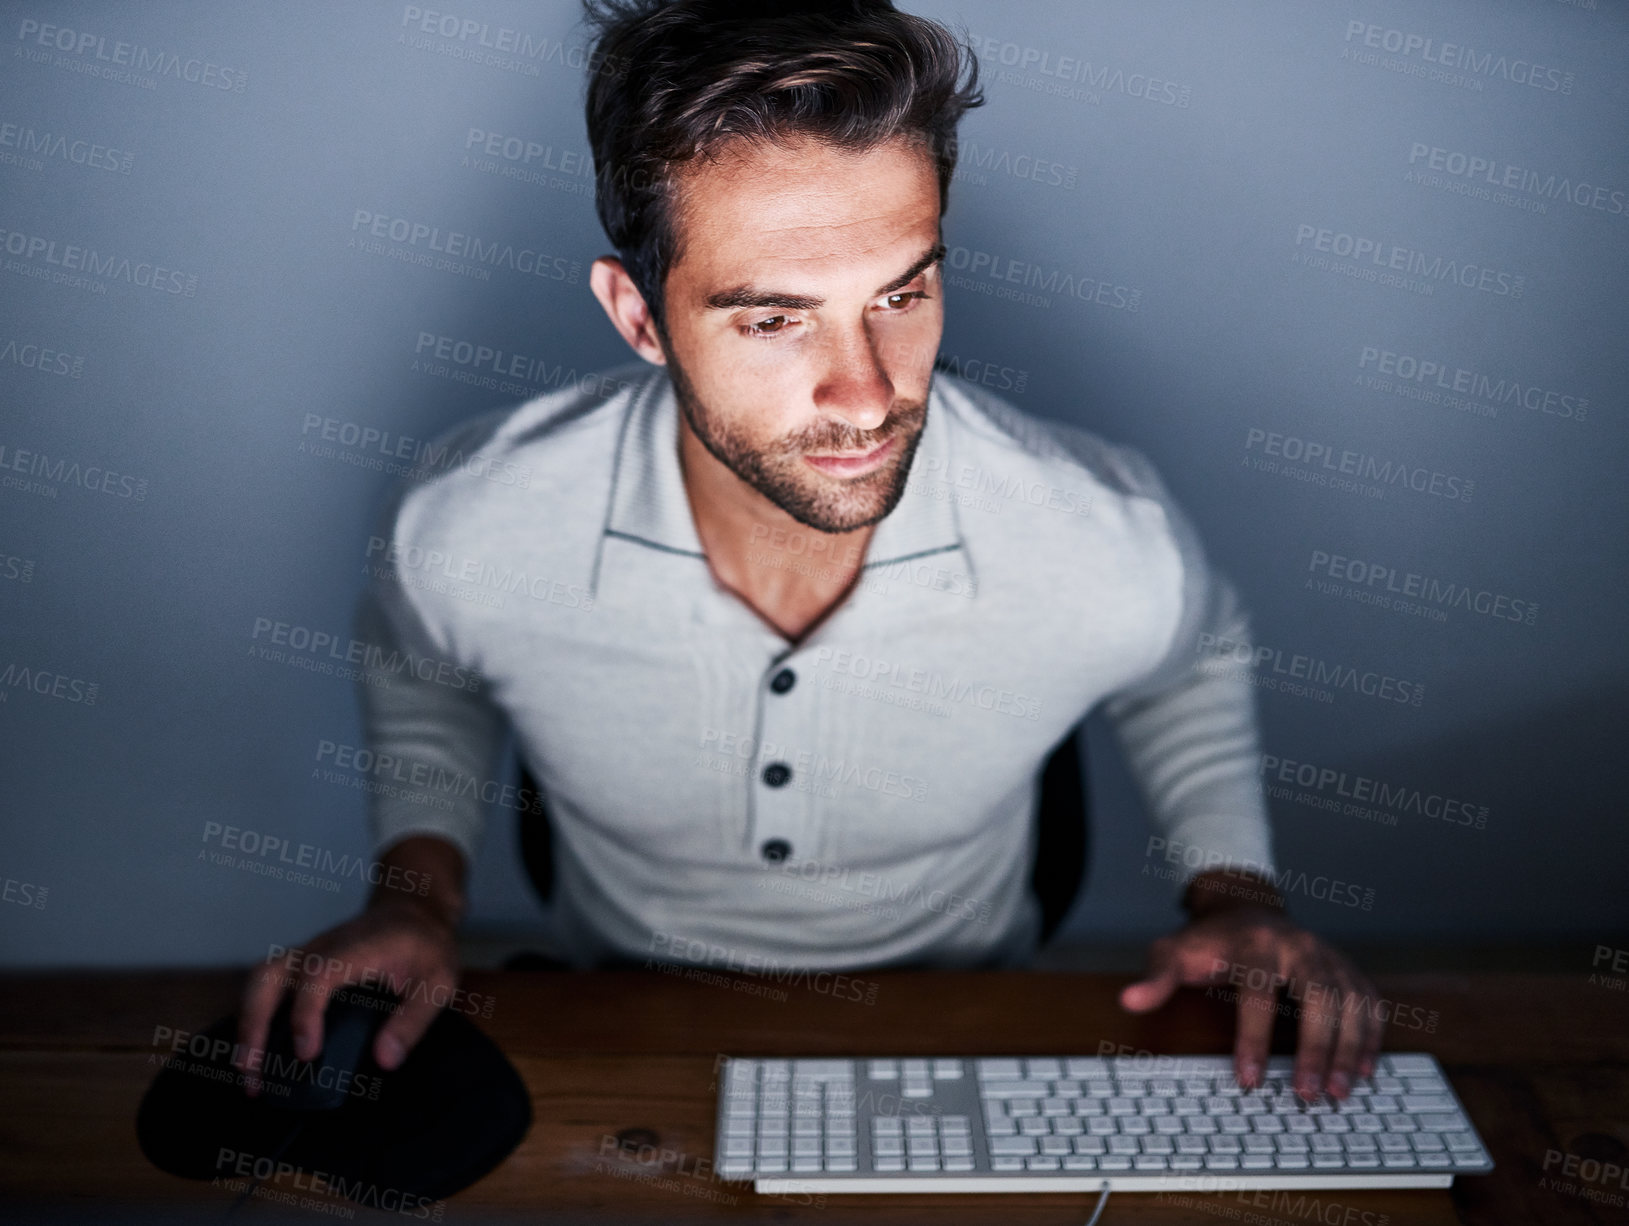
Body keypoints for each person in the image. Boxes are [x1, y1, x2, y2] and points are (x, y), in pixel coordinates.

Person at [239, 0, 1380, 1104]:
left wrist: (1232, 890)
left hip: (968, 1029)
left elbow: (1189, 650)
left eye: (903, 291)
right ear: (639, 318)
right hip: (617, 1020)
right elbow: (413, 650)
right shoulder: (475, 521)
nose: (870, 389)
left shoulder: (1090, 531)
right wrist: (418, 899)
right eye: (774, 317)